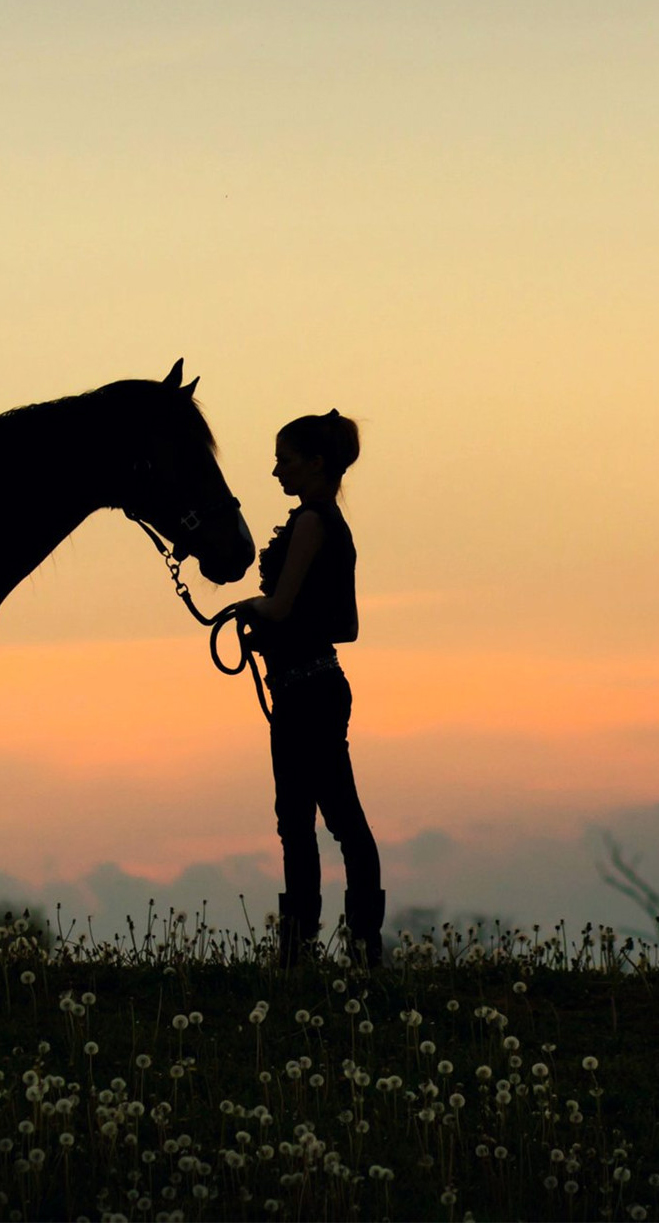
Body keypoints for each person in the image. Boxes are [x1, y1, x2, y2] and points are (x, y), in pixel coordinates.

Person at [233, 410, 384, 966]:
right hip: (311, 686)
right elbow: (345, 625)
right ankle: (351, 946)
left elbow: (280, 603)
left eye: (285, 460)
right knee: (320, 818)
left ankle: (310, 950)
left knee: (311, 821)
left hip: (305, 691)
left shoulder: (311, 524)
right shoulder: (332, 525)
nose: (276, 471)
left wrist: (251, 609)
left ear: (316, 464)